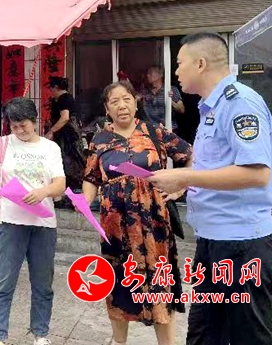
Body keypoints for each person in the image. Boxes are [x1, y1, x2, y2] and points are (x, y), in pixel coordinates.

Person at [147, 33, 272, 345]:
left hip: (243, 244)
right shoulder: (211, 108)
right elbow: (215, 168)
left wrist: (186, 176)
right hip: (213, 242)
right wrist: (184, 183)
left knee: (250, 338)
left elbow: (257, 173)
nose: (176, 72)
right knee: (203, 335)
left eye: (179, 63)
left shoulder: (239, 103)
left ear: (201, 63)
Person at [82, 81, 193, 345]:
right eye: (114, 101)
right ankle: (119, 342)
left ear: (135, 102)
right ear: (107, 109)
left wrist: (181, 185)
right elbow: (91, 178)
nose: (121, 105)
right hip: (116, 227)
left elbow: (190, 155)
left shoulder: (156, 132)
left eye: (126, 99)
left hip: (154, 222)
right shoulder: (99, 140)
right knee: (119, 281)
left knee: (160, 282)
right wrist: (84, 201)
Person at [0, 97, 66, 345]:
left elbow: (60, 184)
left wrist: (43, 192)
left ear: (35, 121)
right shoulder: (3, 145)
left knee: (42, 283)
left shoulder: (50, 148)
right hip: (11, 222)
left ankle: (40, 333)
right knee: (4, 281)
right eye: (14, 126)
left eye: (23, 125)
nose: (19, 131)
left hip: (43, 225)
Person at [44, 76, 85, 193]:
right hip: (69, 135)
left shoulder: (63, 99)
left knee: (68, 160)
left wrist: (51, 131)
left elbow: (65, 117)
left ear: (56, 87)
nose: (51, 92)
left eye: (51, 89)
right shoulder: (67, 98)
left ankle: (72, 189)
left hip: (67, 136)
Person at [140, 65, 185, 133]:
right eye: (147, 73)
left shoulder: (171, 89)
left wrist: (170, 100)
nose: (147, 75)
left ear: (160, 75)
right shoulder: (145, 91)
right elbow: (136, 98)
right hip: (151, 130)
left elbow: (181, 110)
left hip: (168, 130)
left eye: (150, 73)